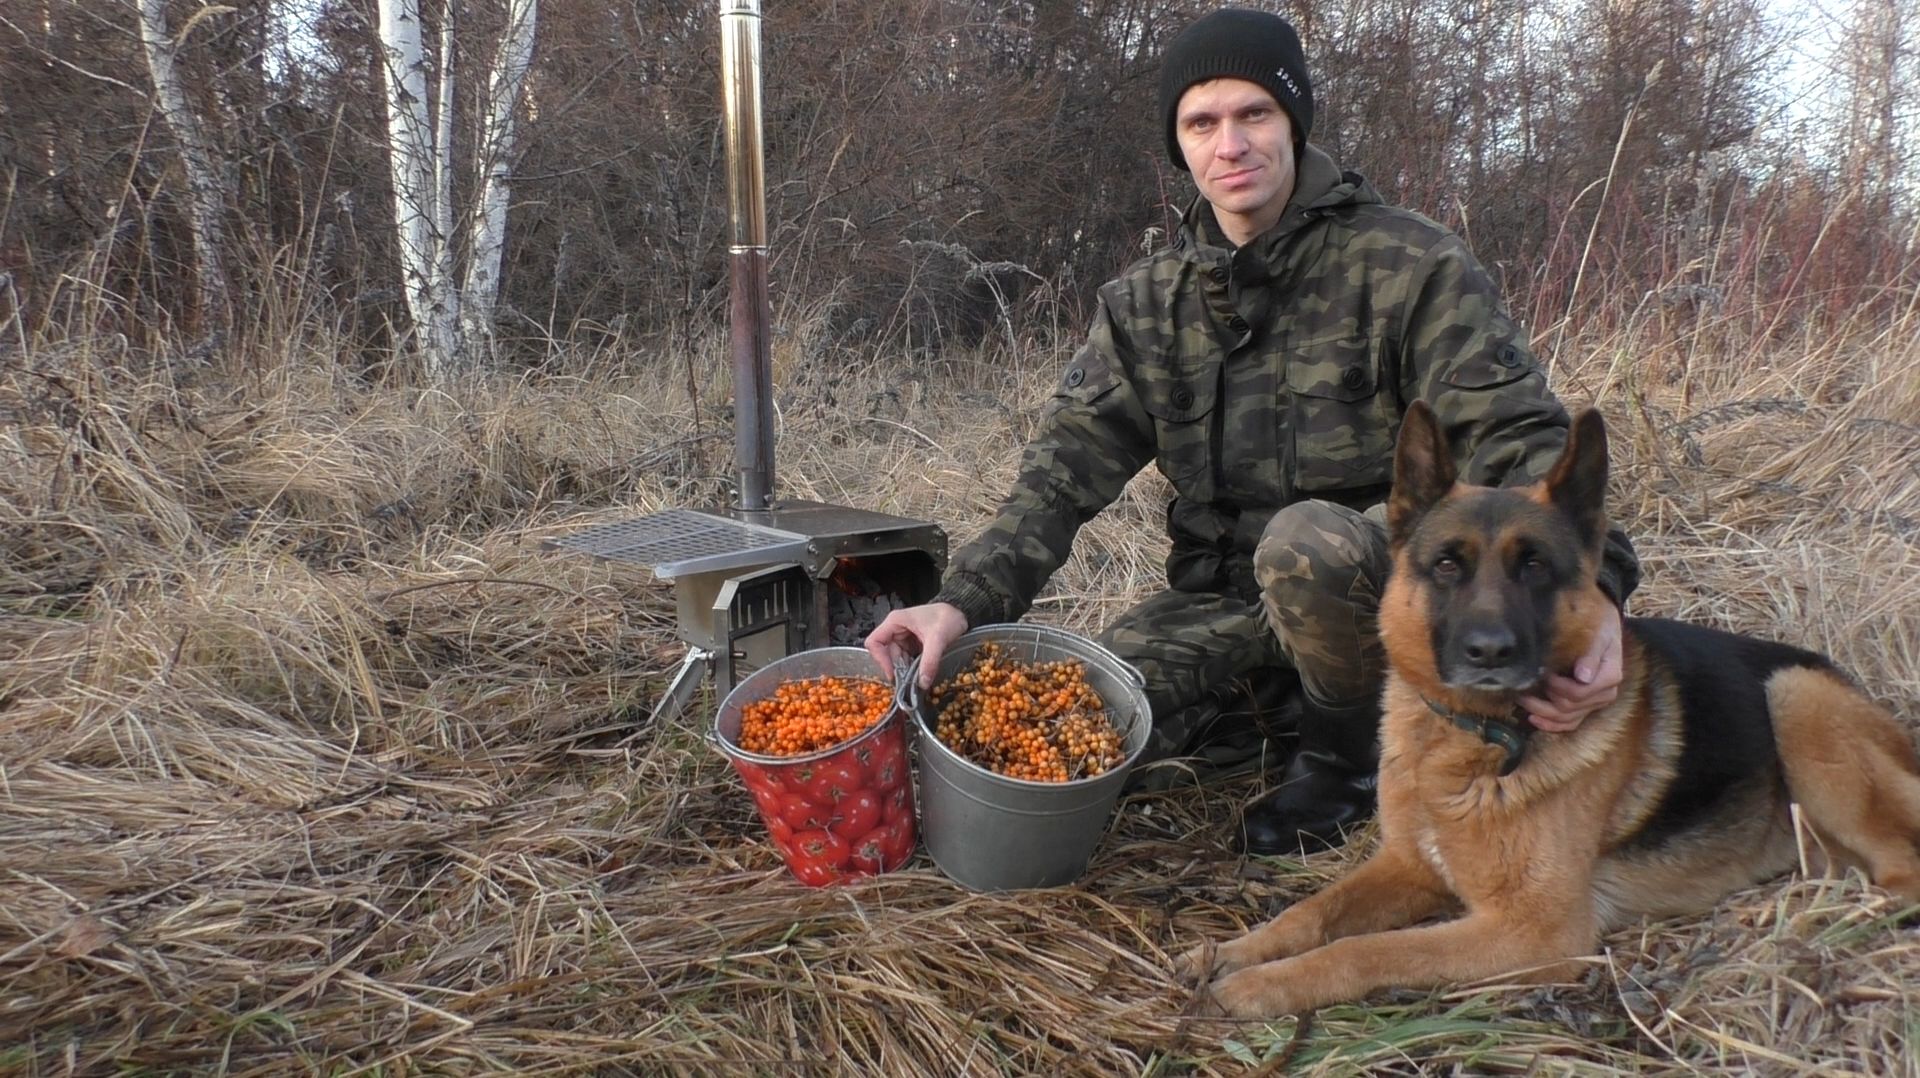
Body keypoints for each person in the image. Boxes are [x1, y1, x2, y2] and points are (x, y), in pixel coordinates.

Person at [865, 7, 1639, 856]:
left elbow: (1521, 445)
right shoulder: (1146, 304)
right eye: (1202, 123)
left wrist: (1600, 599)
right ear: (1181, 145)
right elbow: (1061, 475)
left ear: (1293, 122)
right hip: (1226, 606)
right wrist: (959, 602)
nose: (1229, 144)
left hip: (1388, 603)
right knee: (1070, 724)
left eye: (1253, 115)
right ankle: (1268, 715)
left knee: (1305, 542)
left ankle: (1345, 767)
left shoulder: (1411, 267)